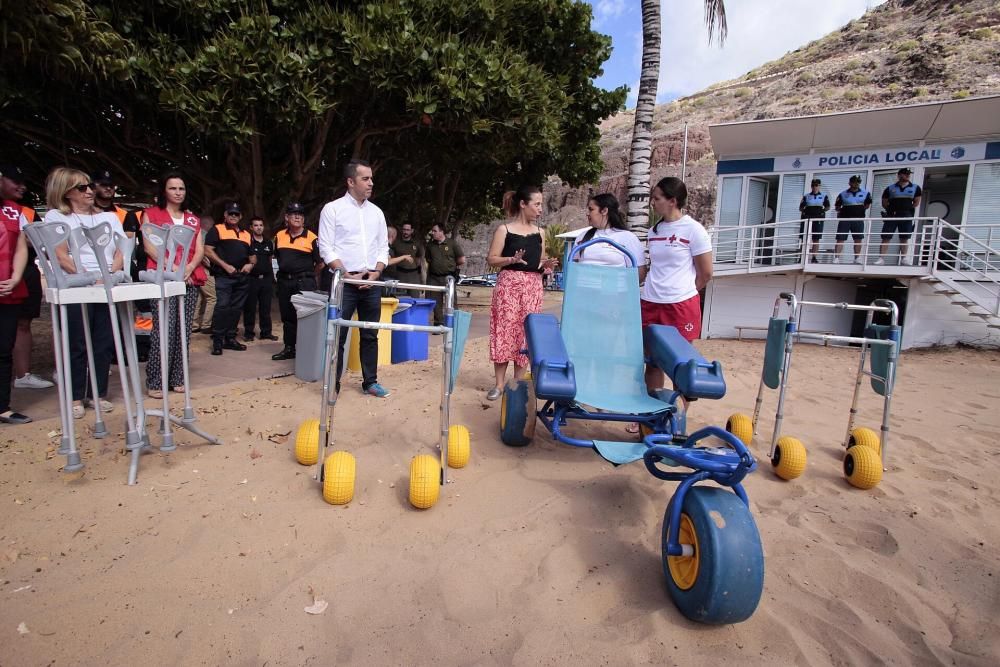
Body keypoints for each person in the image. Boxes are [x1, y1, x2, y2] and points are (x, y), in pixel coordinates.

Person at [43, 168, 126, 418]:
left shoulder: (109, 218)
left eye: (90, 186)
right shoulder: (56, 216)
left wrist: (110, 273)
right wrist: (88, 277)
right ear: (66, 192)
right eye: (82, 188)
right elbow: (59, 254)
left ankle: (97, 393)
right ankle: (75, 396)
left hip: (106, 284)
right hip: (76, 286)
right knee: (76, 342)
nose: (90, 191)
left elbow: (121, 248)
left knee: (103, 342)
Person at [318, 159, 390, 398]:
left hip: (372, 281)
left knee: (370, 333)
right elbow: (326, 248)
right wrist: (347, 274)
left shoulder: (377, 213)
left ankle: (370, 382)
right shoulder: (333, 209)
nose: (371, 183)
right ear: (350, 181)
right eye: (365, 178)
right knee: (337, 335)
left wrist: (377, 272)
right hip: (343, 283)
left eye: (371, 178)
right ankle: (333, 384)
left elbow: (382, 248)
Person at [640, 177, 711, 407]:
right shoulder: (654, 231)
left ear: (672, 201)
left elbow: (706, 273)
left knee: (680, 363)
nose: (653, 202)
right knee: (652, 362)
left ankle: (676, 417)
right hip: (650, 302)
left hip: (680, 305)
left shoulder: (694, 230)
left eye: (657, 198)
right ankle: (650, 414)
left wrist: (683, 292)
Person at [486, 185, 558, 401]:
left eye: (541, 204)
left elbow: (538, 263)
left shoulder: (540, 233)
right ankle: (499, 384)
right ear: (523, 204)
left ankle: (517, 383)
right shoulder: (504, 230)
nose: (540, 209)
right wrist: (510, 260)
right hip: (508, 286)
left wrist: (547, 265)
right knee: (504, 330)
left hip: (533, 287)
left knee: (525, 334)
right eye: (536, 204)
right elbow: (491, 259)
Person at [141, 171, 207, 397]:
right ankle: (156, 380)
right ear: (164, 191)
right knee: (163, 329)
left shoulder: (192, 219)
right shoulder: (151, 214)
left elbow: (199, 250)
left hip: (190, 278)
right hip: (163, 276)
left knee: (183, 330)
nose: (178, 192)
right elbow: (149, 246)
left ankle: (178, 377)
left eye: (181, 188)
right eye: (173, 188)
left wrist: (187, 269)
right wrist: (174, 270)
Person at [0, 164, 53, 391]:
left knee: (17, 329)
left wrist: (15, 276)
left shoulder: (17, 210)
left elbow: (27, 243)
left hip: (18, 276)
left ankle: (20, 378)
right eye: (14, 181)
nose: (21, 187)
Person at [0, 166, 33, 424]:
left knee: (4, 348)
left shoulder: (14, 210)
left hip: (8, 288)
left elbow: (21, 246)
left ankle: (3, 406)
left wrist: (15, 276)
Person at [204, 202, 254, 356]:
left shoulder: (246, 234)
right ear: (225, 215)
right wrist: (225, 266)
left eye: (236, 214)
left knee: (236, 308)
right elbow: (208, 251)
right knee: (222, 307)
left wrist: (250, 265)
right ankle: (218, 340)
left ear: (241, 216)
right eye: (230, 213)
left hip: (241, 276)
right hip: (224, 276)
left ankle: (230, 338)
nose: (233, 216)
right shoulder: (217, 229)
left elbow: (253, 256)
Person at [272, 202, 320, 361]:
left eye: (300, 214)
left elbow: (320, 263)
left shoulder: (312, 237)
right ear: (287, 217)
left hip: (304, 282)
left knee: (306, 317)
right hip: (285, 281)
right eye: (293, 214)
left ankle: (306, 350)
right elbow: (277, 257)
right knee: (287, 317)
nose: (297, 216)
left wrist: (309, 276)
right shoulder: (279, 236)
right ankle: (289, 348)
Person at [574, 193, 644, 267]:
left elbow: (639, 271)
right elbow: (573, 266)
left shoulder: (627, 237)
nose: (587, 214)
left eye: (591, 209)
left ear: (604, 211)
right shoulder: (582, 237)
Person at [878, 167, 923, 265]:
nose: (907, 175)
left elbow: (916, 202)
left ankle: (904, 258)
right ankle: (881, 258)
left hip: (906, 215)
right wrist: (891, 210)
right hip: (892, 215)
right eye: (905, 173)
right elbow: (884, 203)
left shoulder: (915, 187)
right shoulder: (890, 188)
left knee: (904, 237)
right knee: (886, 237)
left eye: (908, 174)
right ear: (899, 175)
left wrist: (906, 210)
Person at [242, 215, 276, 342]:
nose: (259, 228)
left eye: (261, 225)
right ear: (251, 227)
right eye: (256, 225)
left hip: (266, 279)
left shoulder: (268, 243)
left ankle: (266, 332)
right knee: (250, 307)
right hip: (252, 279)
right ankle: (249, 333)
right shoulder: (248, 241)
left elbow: (270, 260)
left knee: (265, 307)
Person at [425, 223, 466, 326]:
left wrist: (450, 266)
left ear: (441, 232)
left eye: (435, 231)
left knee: (451, 301)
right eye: (432, 231)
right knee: (436, 302)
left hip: (448, 277)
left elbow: (461, 259)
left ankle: (453, 324)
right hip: (434, 277)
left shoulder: (452, 244)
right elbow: (428, 259)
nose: (432, 233)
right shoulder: (430, 245)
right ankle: (439, 324)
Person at [834, 175, 872, 264]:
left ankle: (857, 258)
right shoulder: (842, 194)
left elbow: (867, 205)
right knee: (840, 238)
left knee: (858, 239)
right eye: (854, 182)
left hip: (858, 220)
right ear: (850, 183)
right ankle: (836, 258)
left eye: (858, 182)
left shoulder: (866, 193)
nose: (856, 184)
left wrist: (858, 210)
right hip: (845, 220)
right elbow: (837, 207)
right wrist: (844, 211)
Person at [192, 215, 217, 333]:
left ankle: (194, 325)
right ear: (207, 225)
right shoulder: (204, 235)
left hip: (194, 270)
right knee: (213, 297)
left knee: (199, 298)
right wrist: (211, 266)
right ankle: (207, 324)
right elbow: (204, 255)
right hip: (204, 270)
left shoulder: (194, 234)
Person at [799, 178, 830, 257]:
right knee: (804, 239)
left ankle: (814, 257)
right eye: (813, 185)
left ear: (819, 186)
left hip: (818, 220)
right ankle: (801, 257)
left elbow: (828, 207)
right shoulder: (806, 196)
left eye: (816, 185)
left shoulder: (824, 196)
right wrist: (806, 212)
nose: (814, 187)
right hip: (807, 219)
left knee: (816, 239)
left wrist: (821, 212)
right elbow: (801, 208)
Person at [389, 222, 422, 294]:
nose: (406, 232)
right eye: (404, 230)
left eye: (408, 230)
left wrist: (418, 272)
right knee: (400, 298)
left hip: (413, 274)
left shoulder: (417, 243)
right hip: (400, 273)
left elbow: (419, 258)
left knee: (415, 297)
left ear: (412, 231)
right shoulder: (396, 242)